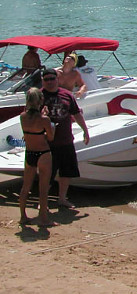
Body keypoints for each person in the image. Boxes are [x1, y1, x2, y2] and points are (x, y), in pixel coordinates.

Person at [41, 67, 89, 208]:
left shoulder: (67, 95)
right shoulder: (38, 96)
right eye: (47, 79)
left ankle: (62, 199)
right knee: (47, 174)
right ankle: (43, 201)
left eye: (52, 78)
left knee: (66, 171)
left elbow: (76, 114)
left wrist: (85, 130)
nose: (50, 82)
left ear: (57, 79)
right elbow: (29, 117)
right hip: (47, 143)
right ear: (43, 81)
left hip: (66, 140)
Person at [19, 88, 55, 226]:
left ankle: (23, 216)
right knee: (43, 188)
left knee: (25, 187)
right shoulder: (44, 119)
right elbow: (50, 137)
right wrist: (48, 120)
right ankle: (44, 219)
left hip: (30, 153)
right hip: (43, 153)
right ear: (41, 100)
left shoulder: (22, 116)